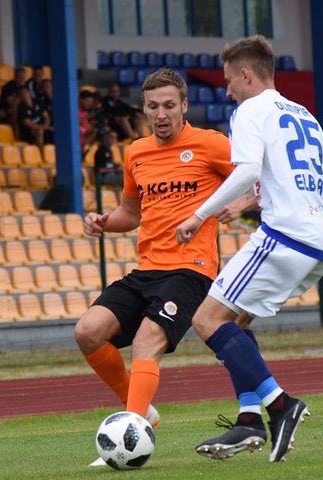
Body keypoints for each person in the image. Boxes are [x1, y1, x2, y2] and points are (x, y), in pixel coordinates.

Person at [175, 36, 323, 463]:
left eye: (230, 80)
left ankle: (280, 405)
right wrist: (254, 201)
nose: (228, 89)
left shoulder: (250, 110)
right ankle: (249, 421)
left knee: (207, 320)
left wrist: (199, 214)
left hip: (283, 236)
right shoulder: (305, 115)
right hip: (319, 244)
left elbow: (249, 168)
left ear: (247, 74)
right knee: (237, 323)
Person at [74, 68, 254, 467]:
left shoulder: (211, 145)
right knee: (87, 332)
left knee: (146, 341)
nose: (161, 114)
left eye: (170, 105)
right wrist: (104, 221)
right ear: (143, 108)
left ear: (184, 106)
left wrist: (242, 205)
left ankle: (130, 435)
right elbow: (130, 212)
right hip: (145, 270)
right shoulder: (136, 152)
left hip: (191, 269)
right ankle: (141, 409)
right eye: (153, 106)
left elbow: (257, 178)